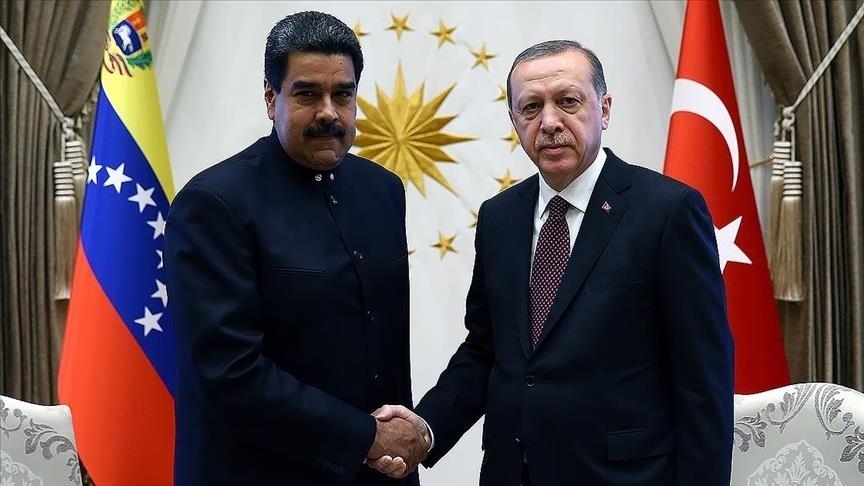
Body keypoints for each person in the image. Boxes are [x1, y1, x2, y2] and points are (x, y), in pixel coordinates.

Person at [370, 40, 734, 485]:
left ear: (604, 109)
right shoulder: (500, 217)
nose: (549, 122)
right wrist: (425, 429)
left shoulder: (668, 211)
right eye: (531, 108)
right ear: (514, 120)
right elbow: (486, 351)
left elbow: (703, 382)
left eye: (567, 102)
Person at [165, 11, 427, 485]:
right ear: (272, 98)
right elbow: (228, 373)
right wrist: (365, 437)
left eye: (343, 94)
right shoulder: (214, 204)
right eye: (307, 94)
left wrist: (396, 441)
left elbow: (381, 344)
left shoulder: (382, 189)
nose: (329, 112)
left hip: (380, 473)